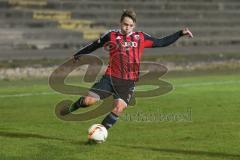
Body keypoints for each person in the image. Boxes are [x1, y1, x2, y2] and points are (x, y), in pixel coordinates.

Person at [63, 9, 193, 129]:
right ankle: (73, 107)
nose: (127, 28)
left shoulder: (141, 37)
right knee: (88, 101)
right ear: (120, 23)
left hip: (128, 82)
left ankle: (99, 132)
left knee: (118, 108)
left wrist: (180, 33)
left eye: (131, 25)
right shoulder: (111, 35)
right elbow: (94, 45)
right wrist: (78, 54)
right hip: (109, 78)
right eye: (125, 24)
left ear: (134, 26)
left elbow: (161, 42)